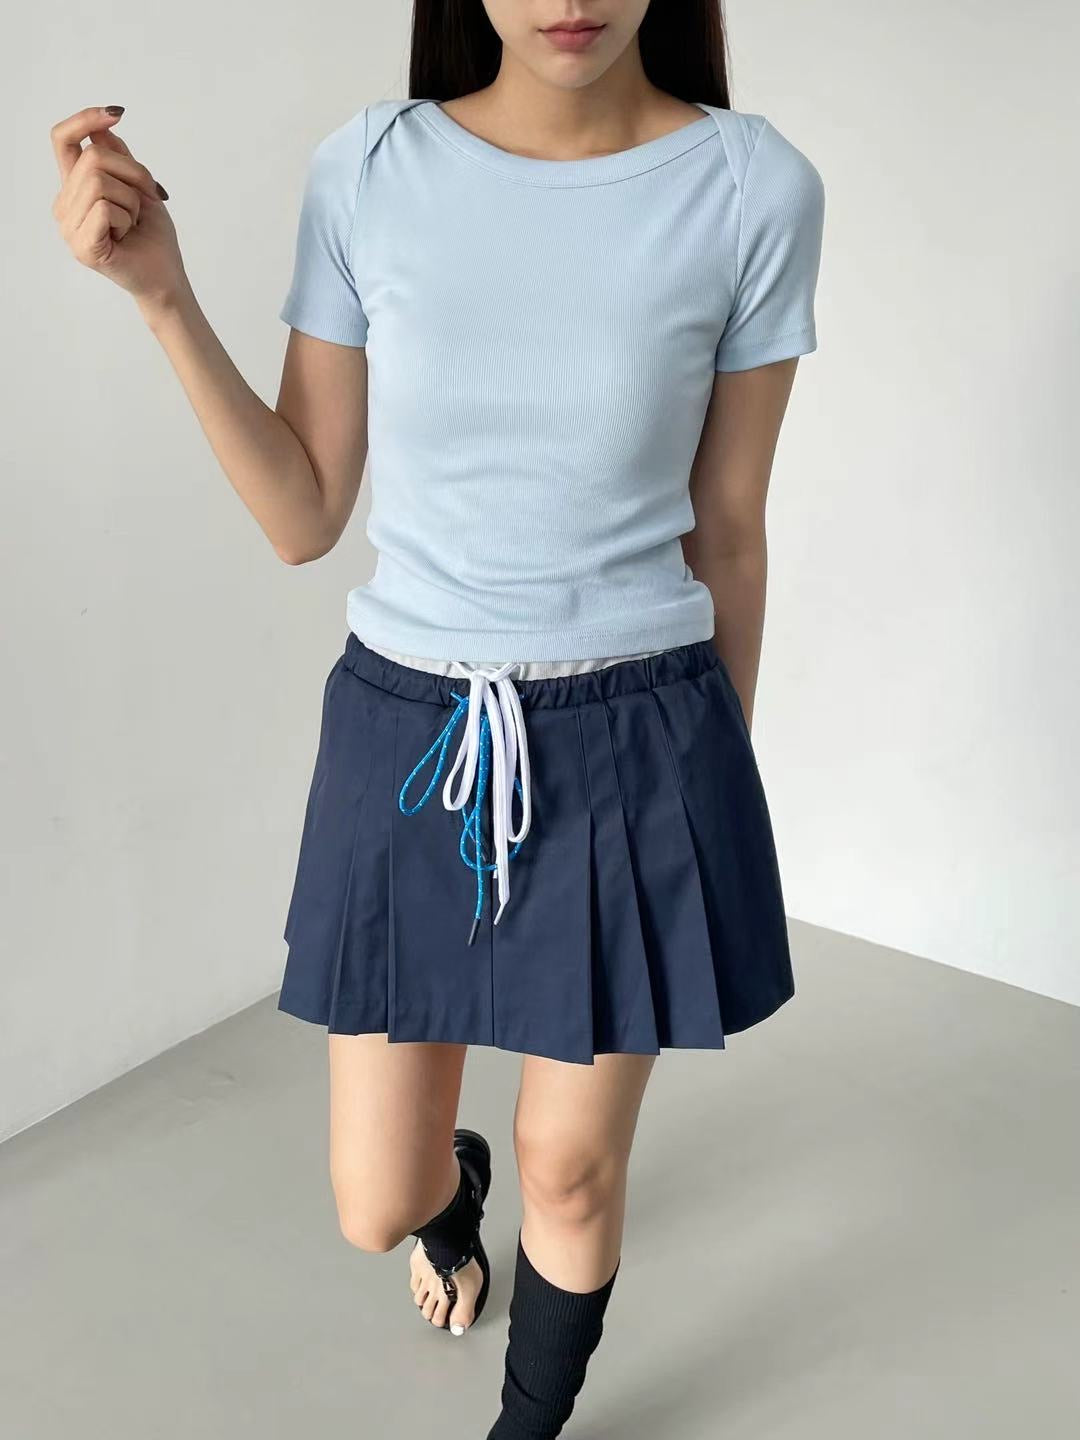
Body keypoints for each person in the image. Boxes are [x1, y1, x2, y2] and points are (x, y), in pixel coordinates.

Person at [49, 2, 824, 1433]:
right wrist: (162, 295)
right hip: (409, 735)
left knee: (571, 1169)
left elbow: (729, 525)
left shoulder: (749, 187)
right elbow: (304, 514)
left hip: (637, 730)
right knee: (376, 1202)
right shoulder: (370, 171)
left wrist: (714, 784)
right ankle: (453, 1198)